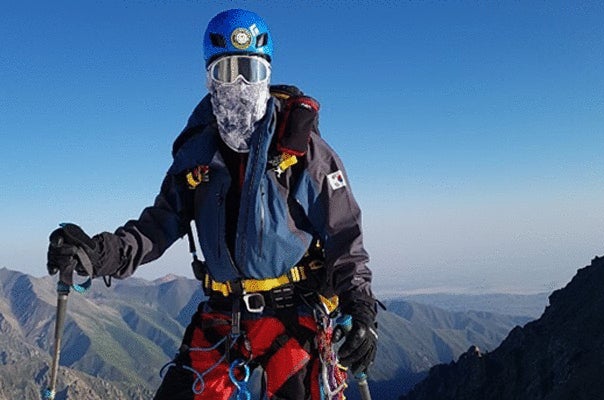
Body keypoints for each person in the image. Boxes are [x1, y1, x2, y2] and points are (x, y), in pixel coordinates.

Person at [46, 8, 377, 400]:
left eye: (250, 70)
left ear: (266, 74)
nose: (239, 84)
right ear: (209, 78)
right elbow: (158, 226)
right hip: (224, 315)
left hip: (295, 312)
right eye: (226, 71)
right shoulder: (196, 154)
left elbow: (344, 234)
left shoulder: (302, 149)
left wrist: (360, 307)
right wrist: (97, 253)